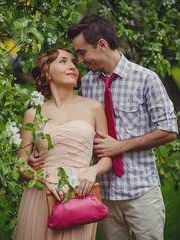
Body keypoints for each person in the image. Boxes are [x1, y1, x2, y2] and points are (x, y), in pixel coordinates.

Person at [29, 14, 178, 240]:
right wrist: (40, 153)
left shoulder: (147, 79)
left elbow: (169, 130)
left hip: (141, 190)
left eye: (81, 52)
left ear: (102, 45)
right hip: (103, 192)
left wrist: (120, 147)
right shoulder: (87, 83)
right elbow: (76, 127)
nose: (79, 61)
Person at [13, 48, 112, 240]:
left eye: (73, 62)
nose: (73, 66)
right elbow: (21, 167)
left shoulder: (93, 108)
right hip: (41, 193)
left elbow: (106, 158)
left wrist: (92, 171)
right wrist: (45, 180)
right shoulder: (33, 114)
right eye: (63, 61)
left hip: (79, 192)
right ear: (47, 73)